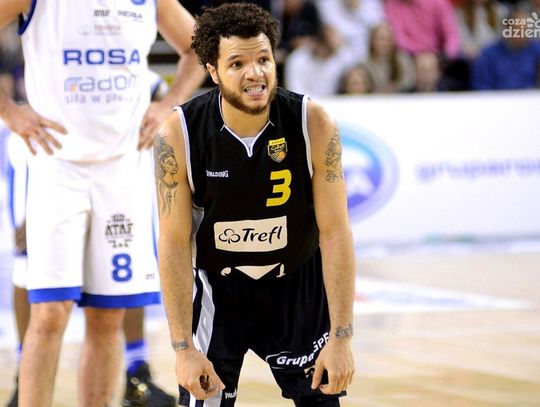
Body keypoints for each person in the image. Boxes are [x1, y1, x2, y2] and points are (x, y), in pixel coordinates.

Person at [0, 1, 206, 406]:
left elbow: (199, 48)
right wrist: (10, 112)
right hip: (56, 166)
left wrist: (166, 105)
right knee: (50, 313)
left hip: (123, 170)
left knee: (108, 315)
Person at [154, 3, 356, 406]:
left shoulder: (313, 123)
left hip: (297, 287)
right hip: (219, 291)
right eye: (237, 64)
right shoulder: (179, 133)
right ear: (212, 71)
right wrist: (183, 348)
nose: (255, 73)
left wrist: (341, 337)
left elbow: (335, 233)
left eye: (263, 59)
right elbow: (174, 243)